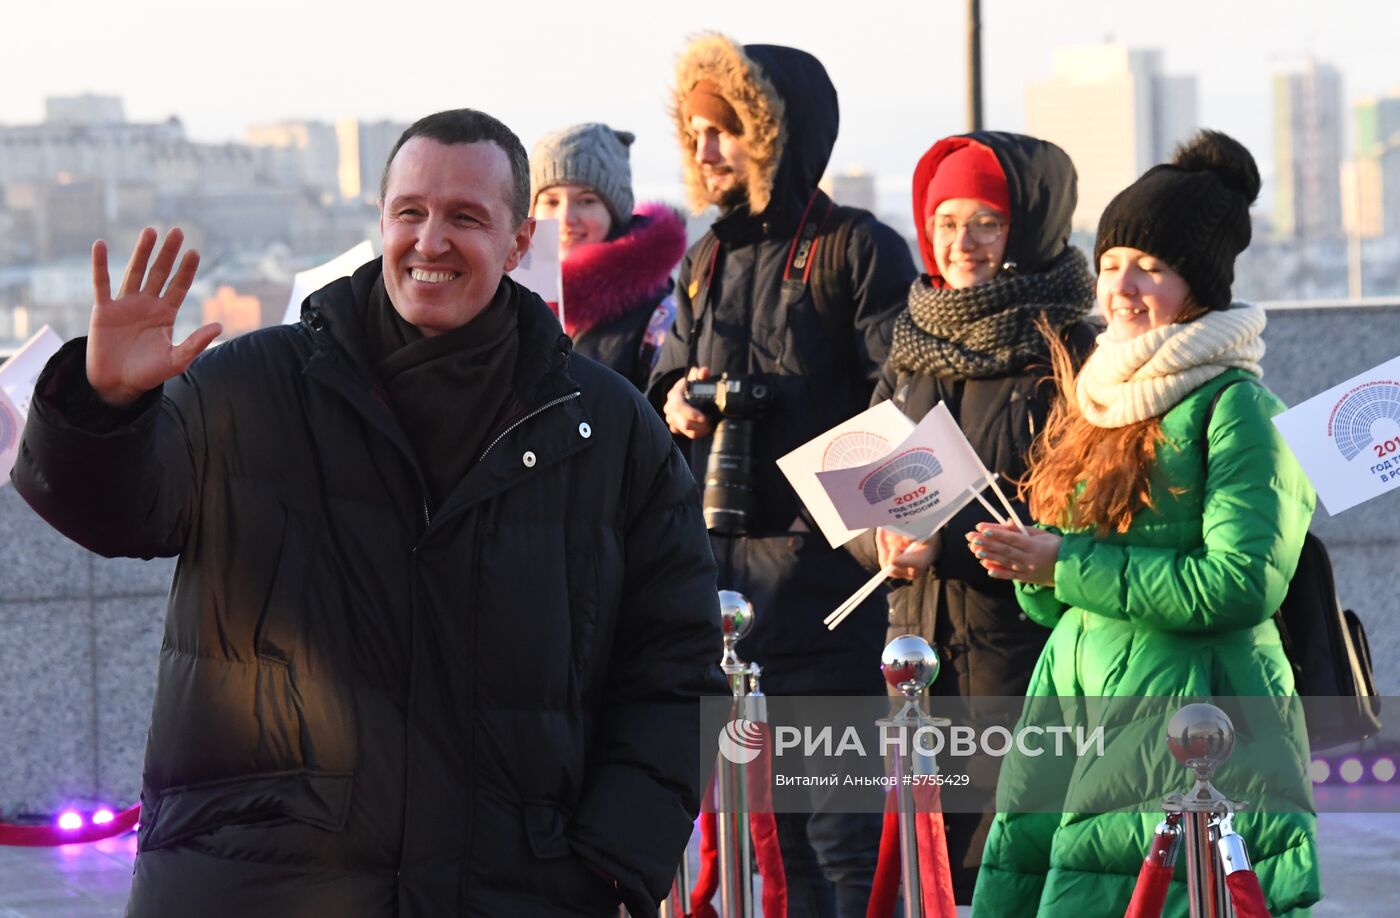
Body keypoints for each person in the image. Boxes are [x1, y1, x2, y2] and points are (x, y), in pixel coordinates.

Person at [12, 108, 724, 918]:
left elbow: (676, 666)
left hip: (508, 889)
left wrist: (608, 861)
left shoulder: (605, 427)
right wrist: (103, 407)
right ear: (380, 220)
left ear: (520, 241)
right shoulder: (253, 386)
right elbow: (115, 515)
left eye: (465, 217)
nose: (431, 241)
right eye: (411, 212)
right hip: (253, 884)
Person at [969, 130, 1321, 915]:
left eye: (1151, 268)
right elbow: (1070, 591)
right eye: (1111, 264)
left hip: (1197, 720)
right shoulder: (1096, 396)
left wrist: (1064, 564)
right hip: (1080, 704)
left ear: (1198, 288)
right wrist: (1029, 568)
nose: (1122, 288)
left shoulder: (1239, 409)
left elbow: (1239, 584)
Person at [649, 33, 917, 918]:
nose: (704, 149)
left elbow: (901, 396)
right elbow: (666, 378)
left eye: (723, 129)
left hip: (830, 596)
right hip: (727, 596)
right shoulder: (706, 259)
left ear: (772, 131)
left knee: (843, 841)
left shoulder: (858, 249)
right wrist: (678, 396)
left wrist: (842, 516)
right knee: (770, 847)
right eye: (693, 133)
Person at [864, 131, 1098, 902]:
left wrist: (957, 547)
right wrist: (884, 543)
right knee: (931, 882)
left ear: (1026, 227)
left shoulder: (1067, 353)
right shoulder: (913, 348)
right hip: (918, 660)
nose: (962, 243)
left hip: (1024, 665)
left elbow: (1086, 512)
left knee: (1019, 877)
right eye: (946, 221)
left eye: (986, 223)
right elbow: (872, 491)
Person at [530, 122, 688, 389]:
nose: (567, 218)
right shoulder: (510, 302)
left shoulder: (659, 317)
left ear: (615, 213)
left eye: (586, 201)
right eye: (552, 202)